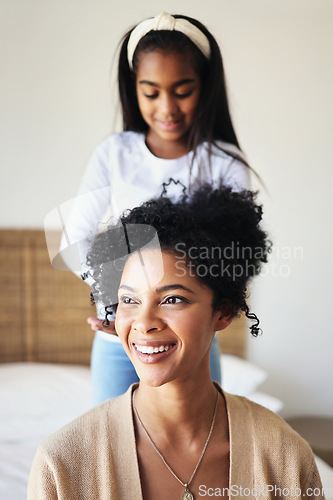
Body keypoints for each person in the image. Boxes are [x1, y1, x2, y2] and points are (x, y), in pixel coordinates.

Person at [29, 185, 324, 499]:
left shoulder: (284, 456)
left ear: (223, 312)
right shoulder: (62, 466)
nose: (143, 323)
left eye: (172, 299)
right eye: (129, 299)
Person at [62, 12, 253, 404]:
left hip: (192, 341)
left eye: (182, 90)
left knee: (198, 448)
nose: (167, 107)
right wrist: (116, 302)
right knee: (117, 451)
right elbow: (74, 237)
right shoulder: (114, 155)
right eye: (151, 92)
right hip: (120, 341)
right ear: (133, 89)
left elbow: (237, 254)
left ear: (206, 87)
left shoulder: (224, 163)